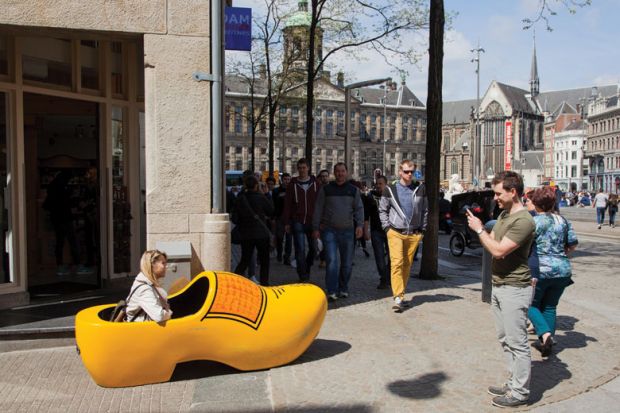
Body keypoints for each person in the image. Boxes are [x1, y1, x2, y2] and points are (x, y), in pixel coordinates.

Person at [466, 171, 535, 408]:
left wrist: (478, 229)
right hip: (499, 284)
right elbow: (491, 240)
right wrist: (481, 229)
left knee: (518, 341)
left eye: (498, 193)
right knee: (505, 338)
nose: (495, 198)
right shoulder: (505, 214)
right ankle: (513, 380)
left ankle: (520, 392)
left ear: (512, 191)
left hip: (515, 287)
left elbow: (497, 250)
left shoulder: (524, 220)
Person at [527, 186, 578, 358]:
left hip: (540, 269)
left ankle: (545, 335)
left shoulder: (533, 222)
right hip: (563, 269)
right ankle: (546, 344)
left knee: (529, 304)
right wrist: (560, 255)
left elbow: (524, 245)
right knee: (550, 306)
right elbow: (572, 244)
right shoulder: (562, 221)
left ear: (535, 203)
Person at [379, 159, 428, 312]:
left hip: (413, 233)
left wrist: (423, 230)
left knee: (407, 264)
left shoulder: (420, 188)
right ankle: (398, 297)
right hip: (395, 232)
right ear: (400, 172)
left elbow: (425, 210)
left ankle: (401, 293)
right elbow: (383, 209)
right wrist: (387, 227)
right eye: (406, 171)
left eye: (411, 172)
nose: (409, 174)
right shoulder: (390, 189)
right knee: (397, 262)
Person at [312, 163, 364, 301]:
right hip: (329, 231)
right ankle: (332, 290)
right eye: (337, 171)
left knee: (347, 263)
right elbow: (318, 208)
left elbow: (359, 209)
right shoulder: (326, 189)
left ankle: (343, 287)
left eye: (342, 171)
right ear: (333, 173)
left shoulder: (353, 190)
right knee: (332, 261)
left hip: (347, 231)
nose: (340, 174)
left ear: (346, 172)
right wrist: (316, 228)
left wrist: (360, 225)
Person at [232, 175, 274, 286]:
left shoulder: (241, 198)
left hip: (246, 234)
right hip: (261, 234)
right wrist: (266, 194)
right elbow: (271, 211)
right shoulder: (261, 197)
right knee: (265, 261)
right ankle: (265, 284)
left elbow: (235, 218)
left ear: (245, 186)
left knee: (245, 260)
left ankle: (235, 282)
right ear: (256, 186)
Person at [283, 159, 320, 282]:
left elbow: (320, 204)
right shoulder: (292, 185)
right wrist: (287, 222)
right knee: (300, 249)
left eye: (304, 167)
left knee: (314, 249)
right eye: (300, 168)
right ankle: (302, 275)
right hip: (297, 220)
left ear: (308, 168)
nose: (302, 170)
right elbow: (287, 204)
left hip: (312, 220)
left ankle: (307, 266)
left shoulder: (316, 184)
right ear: (297, 169)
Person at [43, 170, 80, 276]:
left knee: (60, 241)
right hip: (65, 218)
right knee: (72, 241)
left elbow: (47, 204)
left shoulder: (52, 187)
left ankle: (60, 265)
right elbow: (66, 202)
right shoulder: (62, 187)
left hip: (56, 219)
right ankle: (76, 264)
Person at [125, 250, 173, 323]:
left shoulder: (146, 283)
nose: (166, 266)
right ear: (152, 264)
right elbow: (159, 316)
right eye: (163, 263)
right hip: (141, 331)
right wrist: (169, 313)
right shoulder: (144, 288)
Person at [364, 175, 390, 289]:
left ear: (386, 184)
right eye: (377, 184)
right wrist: (366, 230)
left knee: (393, 257)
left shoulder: (392, 196)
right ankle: (383, 278)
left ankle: (388, 276)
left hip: (390, 231)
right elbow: (366, 216)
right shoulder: (370, 197)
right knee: (379, 257)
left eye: (381, 184)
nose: (378, 186)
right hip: (376, 231)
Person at [273, 173, 292, 264]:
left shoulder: (293, 190)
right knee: (279, 238)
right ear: (281, 180)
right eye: (285, 179)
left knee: (289, 239)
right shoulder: (276, 191)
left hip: (290, 218)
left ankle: (287, 257)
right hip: (280, 217)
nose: (287, 181)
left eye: (288, 179)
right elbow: (274, 204)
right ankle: (279, 254)